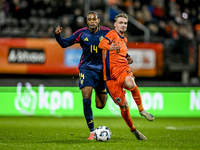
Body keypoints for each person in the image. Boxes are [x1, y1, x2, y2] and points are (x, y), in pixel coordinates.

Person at [55, 11, 133, 140]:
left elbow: (119, 43)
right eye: (89, 20)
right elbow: (64, 44)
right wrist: (57, 36)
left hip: (103, 72)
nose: (92, 21)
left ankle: (100, 93)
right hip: (86, 69)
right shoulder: (81, 33)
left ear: (98, 21)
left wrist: (127, 56)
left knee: (100, 105)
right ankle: (92, 132)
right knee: (86, 97)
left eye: (94, 19)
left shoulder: (106, 32)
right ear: (87, 22)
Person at [98, 13, 154, 140]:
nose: (123, 25)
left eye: (125, 23)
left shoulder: (124, 39)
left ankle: (141, 110)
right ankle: (134, 130)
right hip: (110, 78)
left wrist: (127, 57)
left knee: (131, 83)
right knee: (124, 105)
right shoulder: (112, 34)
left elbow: (122, 52)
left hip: (123, 69)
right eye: (121, 23)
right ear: (115, 24)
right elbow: (101, 45)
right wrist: (109, 47)